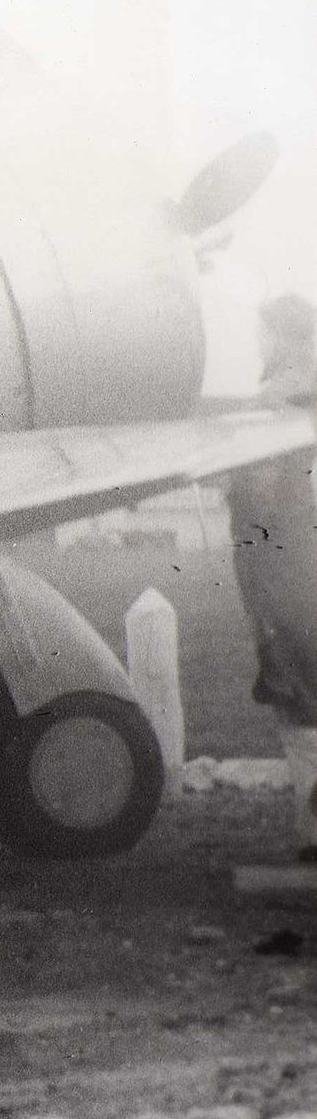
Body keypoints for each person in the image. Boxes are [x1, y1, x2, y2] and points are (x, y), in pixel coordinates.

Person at [225, 293, 317, 862]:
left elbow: (260, 498)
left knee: (298, 699)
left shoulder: (275, 403)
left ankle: (314, 835)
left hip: (288, 573)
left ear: (279, 335)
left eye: (260, 332)